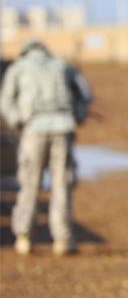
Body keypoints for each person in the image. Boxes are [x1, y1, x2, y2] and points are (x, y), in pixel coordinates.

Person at [0, 39, 92, 255]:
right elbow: (85, 95)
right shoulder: (62, 65)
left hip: (33, 130)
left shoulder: (19, 68)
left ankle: (24, 236)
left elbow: (5, 101)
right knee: (62, 185)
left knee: (29, 183)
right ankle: (63, 239)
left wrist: (17, 121)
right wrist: (78, 116)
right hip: (63, 128)